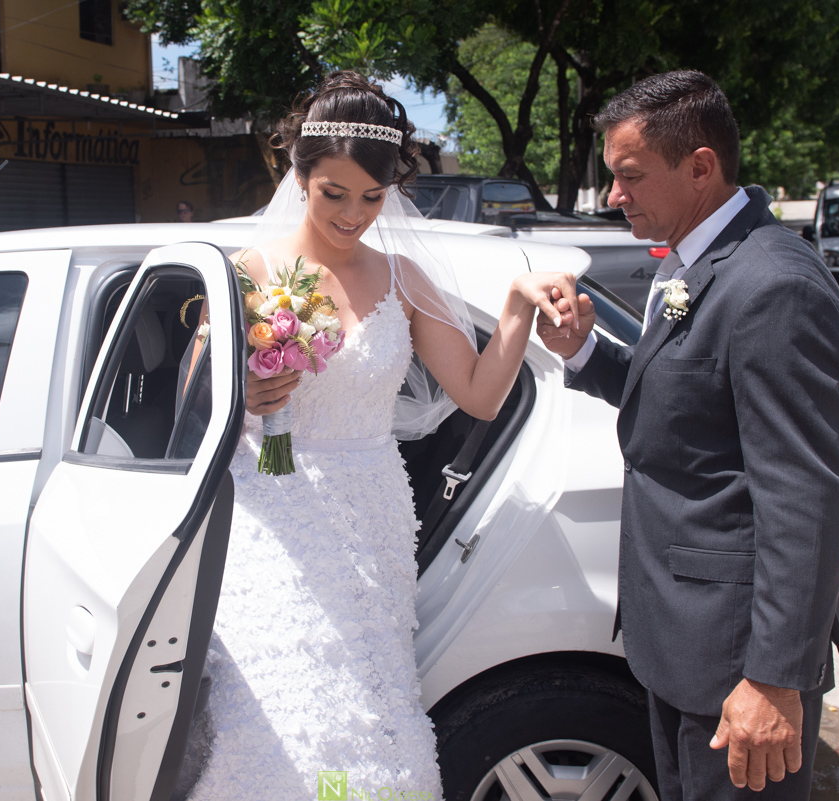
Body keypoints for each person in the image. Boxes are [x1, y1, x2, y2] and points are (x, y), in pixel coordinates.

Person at [184, 71, 578, 799]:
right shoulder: (248, 271)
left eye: (372, 198)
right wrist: (245, 393)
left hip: (373, 513)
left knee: (368, 700)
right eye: (334, 194)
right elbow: (189, 409)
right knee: (286, 700)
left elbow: (481, 395)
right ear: (299, 175)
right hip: (273, 512)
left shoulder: (403, 277)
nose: (353, 215)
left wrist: (519, 306)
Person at [535, 71, 839, 800]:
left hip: (736, 661)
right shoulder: (697, 261)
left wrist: (774, 678)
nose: (614, 195)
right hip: (680, 640)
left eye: (629, 176)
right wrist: (585, 351)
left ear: (701, 166)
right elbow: (689, 408)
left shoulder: (772, 284)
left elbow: (806, 493)